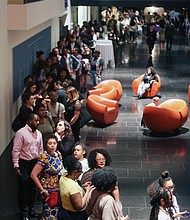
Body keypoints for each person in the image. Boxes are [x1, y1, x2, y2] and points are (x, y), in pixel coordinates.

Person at [12, 114, 43, 220]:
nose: (38, 122)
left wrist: (40, 163)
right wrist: (16, 166)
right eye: (36, 120)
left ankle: (30, 209)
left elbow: (40, 149)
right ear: (29, 121)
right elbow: (16, 150)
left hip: (34, 162)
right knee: (23, 189)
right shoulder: (21, 133)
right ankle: (24, 213)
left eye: (38, 120)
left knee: (33, 189)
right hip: (24, 163)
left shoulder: (39, 134)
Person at [31, 134, 64, 220]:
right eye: (50, 143)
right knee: (48, 214)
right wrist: (42, 190)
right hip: (48, 190)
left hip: (58, 188)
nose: (52, 145)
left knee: (56, 213)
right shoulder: (44, 158)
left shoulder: (58, 155)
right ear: (46, 145)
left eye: (54, 143)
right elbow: (33, 175)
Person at [58, 155, 93, 220]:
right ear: (75, 172)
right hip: (73, 216)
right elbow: (79, 206)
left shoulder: (63, 177)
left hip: (64, 211)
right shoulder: (73, 186)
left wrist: (82, 187)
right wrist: (87, 191)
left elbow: (68, 190)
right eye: (80, 172)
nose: (80, 174)